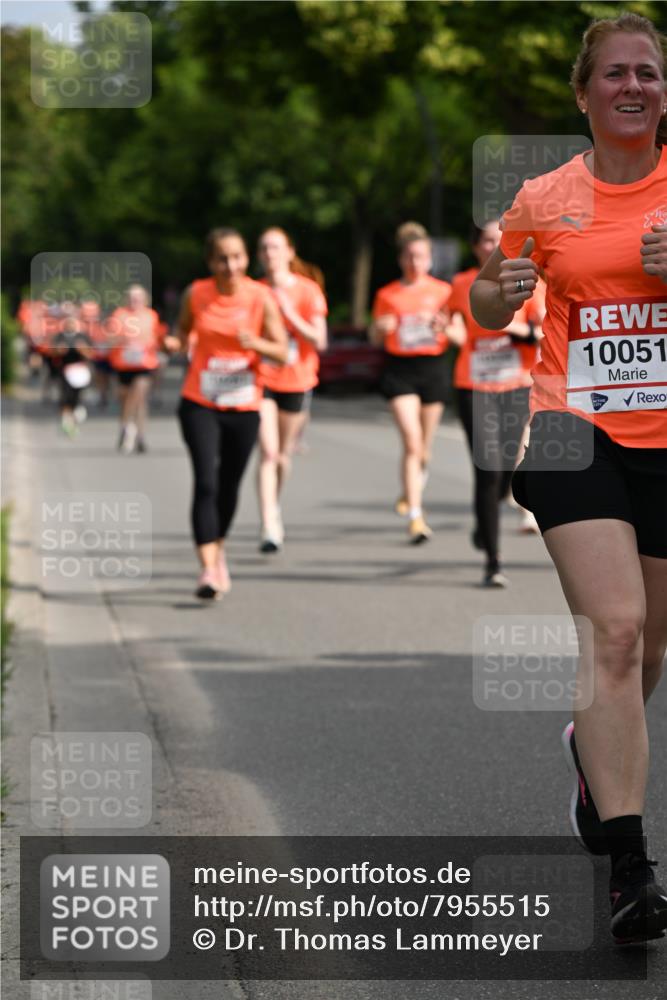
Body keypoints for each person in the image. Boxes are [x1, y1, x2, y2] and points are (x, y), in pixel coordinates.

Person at [470, 13, 667, 944]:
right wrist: (496, 290)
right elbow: (480, 298)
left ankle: (591, 759)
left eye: (650, 74)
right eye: (618, 74)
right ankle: (631, 866)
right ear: (585, 93)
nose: (635, 86)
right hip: (571, 429)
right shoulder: (546, 199)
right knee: (615, 628)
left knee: (646, 653)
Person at [168, 227, 287, 600]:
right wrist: (173, 342)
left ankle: (218, 549)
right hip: (200, 402)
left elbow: (282, 351)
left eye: (237, 257)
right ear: (211, 262)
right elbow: (181, 332)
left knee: (229, 485)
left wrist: (258, 343)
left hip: (244, 405)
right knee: (206, 481)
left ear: (246, 259)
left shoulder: (260, 296)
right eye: (222, 258)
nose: (230, 265)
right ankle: (207, 569)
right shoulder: (196, 293)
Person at [448, 220, 540, 586]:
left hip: (516, 384)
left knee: (505, 471)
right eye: (487, 240)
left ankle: (489, 517)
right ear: (476, 247)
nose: (493, 245)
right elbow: (452, 325)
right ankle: (493, 559)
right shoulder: (460, 284)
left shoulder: (529, 278)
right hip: (473, 384)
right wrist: (450, 332)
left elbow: (544, 331)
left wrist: (515, 329)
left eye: (499, 240)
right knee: (486, 469)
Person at [369, 222, 452, 543]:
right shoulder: (387, 294)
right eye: (409, 257)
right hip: (400, 370)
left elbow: (459, 336)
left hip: (432, 368)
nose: (414, 263)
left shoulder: (443, 292)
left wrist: (444, 327)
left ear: (430, 259)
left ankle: (411, 489)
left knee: (425, 451)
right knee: (412, 441)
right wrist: (381, 327)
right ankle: (416, 517)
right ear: (401, 259)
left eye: (420, 257)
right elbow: (374, 336)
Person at [255, 227, 328, 552]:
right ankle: (269, 521)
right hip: (260, 379)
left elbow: (320, 340)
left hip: (297, 379)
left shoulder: (308, 290)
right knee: (268, 453)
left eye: (276, 247)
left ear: (289, 252)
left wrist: (289, 314)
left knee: (283, 456)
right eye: (265, 248)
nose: (270, 253)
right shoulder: (253, 291)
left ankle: (275, 504)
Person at [107, 285, 164, 454]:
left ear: (145, 300)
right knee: (126, 400)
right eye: (132, 298)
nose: (135, 301)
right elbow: (110, 338)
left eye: (138, 298)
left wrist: (146, 343)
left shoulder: (151, 316)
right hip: (123, 364)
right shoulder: (119, 315)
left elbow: (157, 338)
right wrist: (122, 340)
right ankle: (125, 426)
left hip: (144, 363)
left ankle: (140, 435)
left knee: (139, 396)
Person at [49, 313, 93, 437]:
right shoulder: (59, 337)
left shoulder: (82, 337)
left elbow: (91, 354)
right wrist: (59, 350)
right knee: (65, 397)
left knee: (76, 398)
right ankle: (66, 422)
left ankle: (73, 419)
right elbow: (51, 352)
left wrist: (82, 349)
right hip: (63, 371)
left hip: (79, 372)